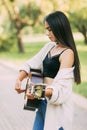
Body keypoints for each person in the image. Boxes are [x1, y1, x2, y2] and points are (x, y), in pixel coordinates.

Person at [15, 11, 81, 130]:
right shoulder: (49, 47)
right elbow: (31, 63)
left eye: (50, 29)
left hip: (57, 110)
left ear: (59, 27)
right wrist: (19, 79)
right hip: (42, 104)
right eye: (46, 29)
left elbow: (60, 89)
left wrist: (35, 91)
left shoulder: (68, 53)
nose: (47, 33)